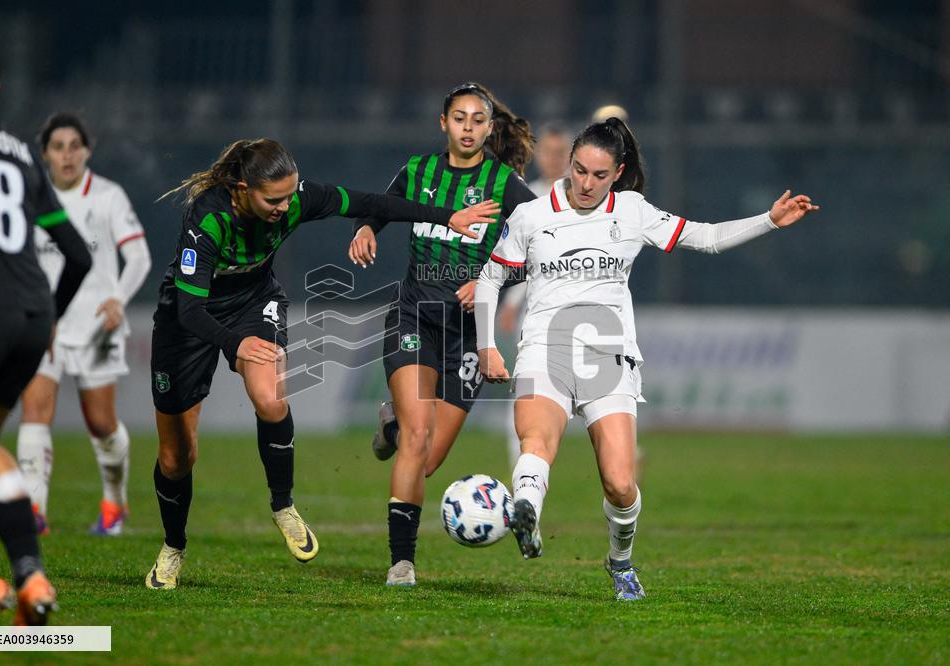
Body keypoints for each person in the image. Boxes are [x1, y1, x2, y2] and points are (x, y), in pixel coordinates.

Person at [474, 117, 818, 600]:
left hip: (608, 357)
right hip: (543, 350)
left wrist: (768, 220)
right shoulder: (534, 214)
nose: (586, 183)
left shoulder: (632, 211)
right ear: (569, 163)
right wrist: (487, 344)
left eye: (598, 174)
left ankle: (620, 561)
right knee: (537, 440)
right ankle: (526, 513)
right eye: (579, 170)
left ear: (617, 174)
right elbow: (490, 279)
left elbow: (705, 237)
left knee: (619, 482)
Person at [146, 137, 499, 590]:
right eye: (272, 199)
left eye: (290, 196)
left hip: (253, 303)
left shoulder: (296, 199)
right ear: (242, 188)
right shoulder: (209, 218)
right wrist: (235, 344)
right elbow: (190, 311)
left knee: (271, 399)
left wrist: (446, 217)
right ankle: (174, 546)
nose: (283, 206)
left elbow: (371, 201)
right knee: (178, 457)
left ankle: (283, 505)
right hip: (189, 318)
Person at [348, 82, 535, 586]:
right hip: (415, 319)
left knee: (426, 459)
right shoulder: (418, 172)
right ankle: (401, 563)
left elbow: (540, 250)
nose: (468, 128)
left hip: (469, 338)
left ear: (490, 128)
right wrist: (366, 228)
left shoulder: (507, 185)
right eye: (459, 118)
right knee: (418, 436)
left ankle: (389, 426)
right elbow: (382, 206)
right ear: (443, 123)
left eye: (478, 120)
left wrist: (491, 277)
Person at [0, 35, 92, 624]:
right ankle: (32, 578)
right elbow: (78, 256)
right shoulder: (18, 151)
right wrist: (50, 318)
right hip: (31, 316)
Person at [17, 112, 152, 537]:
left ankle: (115, 501)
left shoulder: (108, 196)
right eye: (58, 147)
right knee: (35, 410)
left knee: (100, 423)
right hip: (46, 322)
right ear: (45, 154)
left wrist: (118, 299)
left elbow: (140, 257)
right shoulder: (29, 199)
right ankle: (33, 511)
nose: (67, 155)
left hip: (96, 326)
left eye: (75, 145)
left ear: (87, 150)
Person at [498, 122, 572, 466]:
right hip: (538, 310)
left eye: (561, 152)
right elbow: (520, 255)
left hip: (582, 309)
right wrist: (512, 301)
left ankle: (625, 457)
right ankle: (522, 475)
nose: (554, 158)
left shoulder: (584, 196)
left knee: (595, 394)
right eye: (548, 152)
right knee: (529, 391)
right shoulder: (527, 197)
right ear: (537, 156)